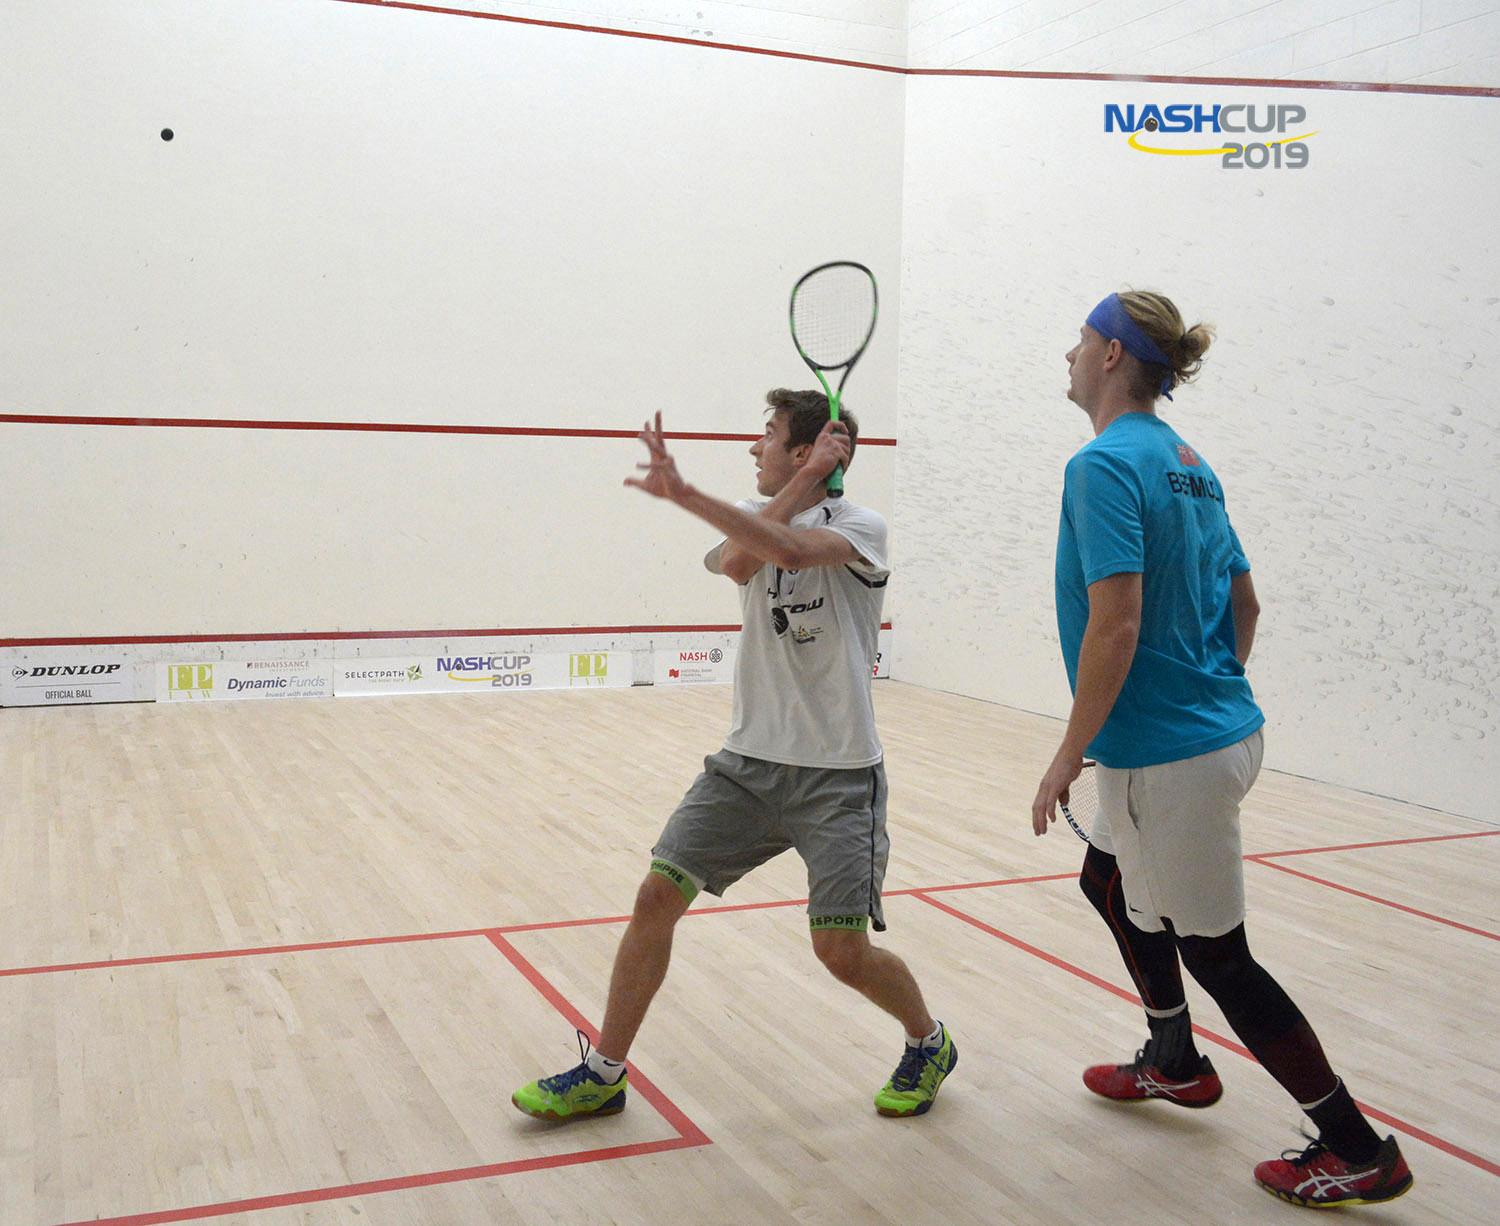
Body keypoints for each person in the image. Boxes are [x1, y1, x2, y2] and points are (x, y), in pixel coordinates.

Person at [1030, 291, 1413, 1209]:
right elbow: (1246, 604)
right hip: (1207, 737)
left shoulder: (1102, 465)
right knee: (1106, 879)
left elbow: (1116, 625)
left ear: (1113, 355)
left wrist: (1069, 752)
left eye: (1080, 340)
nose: (1067, 355)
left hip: (1171, 759)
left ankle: (1358, 1148)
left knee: (1220, 957)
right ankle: (1175, 1057)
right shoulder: (1191, 465)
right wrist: (1201, 695)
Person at [512, 389, 956, 1122]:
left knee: (840, 952)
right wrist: (772, 485)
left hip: (839, 779)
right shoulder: (758, 515)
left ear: (807, 450)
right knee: (656, 897)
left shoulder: (862, 527)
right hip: (746, 767)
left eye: (769, 436)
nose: (754, 448)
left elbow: (791, 552)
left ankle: (928, 1042)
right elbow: (741, 560)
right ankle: (604, 1072)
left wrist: (715, 490)